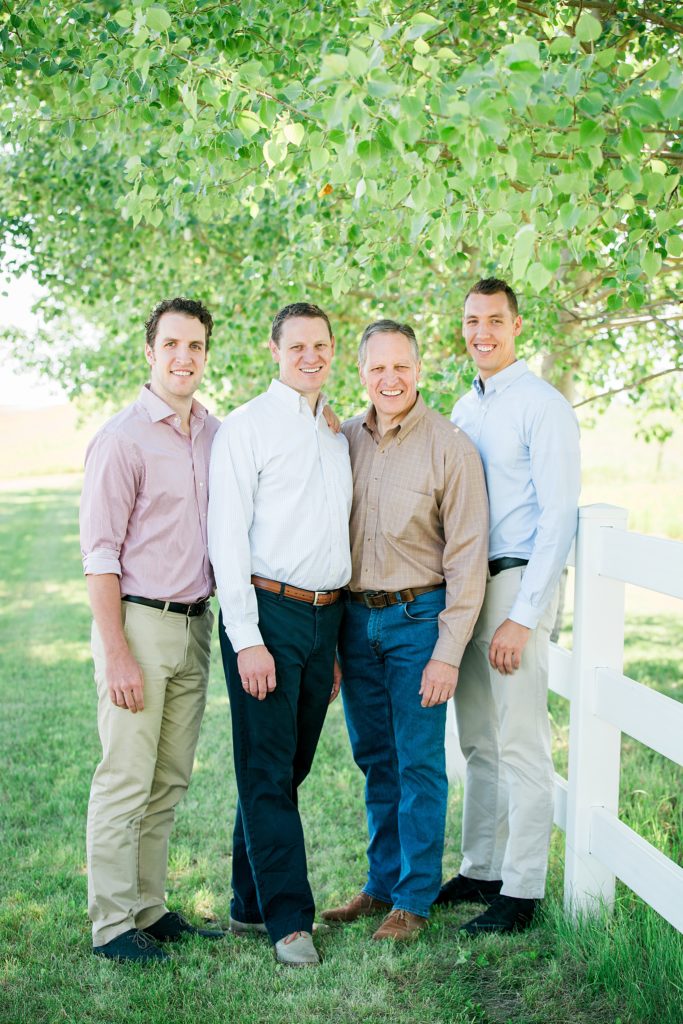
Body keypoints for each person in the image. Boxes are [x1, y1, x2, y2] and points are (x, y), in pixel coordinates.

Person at [322, 320, 489, 941]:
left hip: (420, 622)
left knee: (419, 763)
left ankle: (413, 900)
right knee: (375, 760)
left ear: (419, 370)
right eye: (376, 367)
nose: (389, 378)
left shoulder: (451, 446)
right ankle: (381, 885)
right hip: (354, 621)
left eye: (401, 366)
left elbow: (468, 558)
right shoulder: (341, 442)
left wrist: (448, 653)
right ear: (361, 373)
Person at [80, 297, 225, 963]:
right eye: (171, 344)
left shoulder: (214, 434)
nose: (183, 357)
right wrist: (115, 653)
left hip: (196, 625)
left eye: (194, 346)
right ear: (149, 351)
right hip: (138, 625)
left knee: (168, 778)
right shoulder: (122, 439)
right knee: (126, 777)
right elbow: (100, 555)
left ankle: (149, 906)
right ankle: (112, 925)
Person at [208, 301, 352, 967]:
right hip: (266, 613)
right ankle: (288, 922)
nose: (310, 356)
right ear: (274, 350)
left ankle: (246, 903)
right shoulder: (247, 427)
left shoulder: (331, 430)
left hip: (325, 618)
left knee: (287, 769)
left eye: (320, 345)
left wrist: (337, 645)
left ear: (332, 350)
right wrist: (246, 638)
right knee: (266, 770)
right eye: (296, 346)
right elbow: (226, 539)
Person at [436, 277, 581, 934]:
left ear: (516, 326)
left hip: (515, 583)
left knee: (519, 739)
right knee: (476, 740)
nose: (481, 332)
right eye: (471, 321)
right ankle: (479, 867)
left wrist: (523, 614)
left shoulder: (540, 405)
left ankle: (520, 888)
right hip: (467, 586)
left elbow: (556, 518)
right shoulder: (466, 407)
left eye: (494, 319)